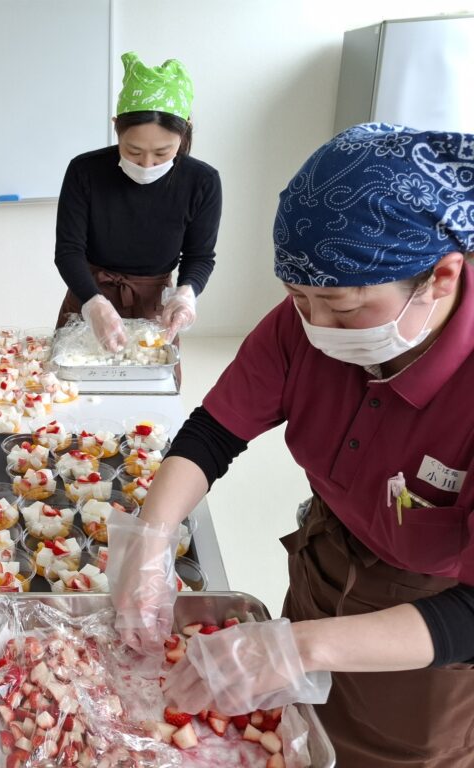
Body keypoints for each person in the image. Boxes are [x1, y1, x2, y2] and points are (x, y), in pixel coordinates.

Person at [109, 123, 474, 766]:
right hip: (325, 557)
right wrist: (153, 536)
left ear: (440, 278)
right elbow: (215, 432)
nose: (316, 326)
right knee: (297, 732)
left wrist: (299, 647)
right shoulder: (303, 324)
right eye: (298, 299)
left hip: (430, 627)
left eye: (341, 307)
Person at [54, 51, 222, 353]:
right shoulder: (85, 171)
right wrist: (92, 303)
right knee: (71, 379)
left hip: (155, 309)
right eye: (132, 151)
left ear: (185, 130)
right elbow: (68, 251)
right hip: (88, 297)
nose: (146, 164)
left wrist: (186, 294)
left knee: (152, 378)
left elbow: (199, 256)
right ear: (116, 126)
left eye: (162, 152)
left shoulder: (202, 181)